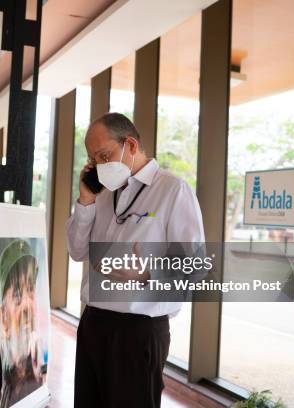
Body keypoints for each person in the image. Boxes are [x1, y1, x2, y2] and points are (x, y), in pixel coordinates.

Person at [67, 112, 205, 408]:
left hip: (138, 331)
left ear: (130, 144)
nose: (100, 165)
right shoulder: (102, 193)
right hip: (93, 322)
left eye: (104, 155)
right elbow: (77, 251)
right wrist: (85, 202)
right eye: (94, 159)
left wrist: (147, 275)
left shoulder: (172, 190)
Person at [0, 239, 46, 408]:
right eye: (17, 294)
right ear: (3, 317)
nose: (27, 305)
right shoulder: (9, 384)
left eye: (30, 290)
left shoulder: (39, 375)